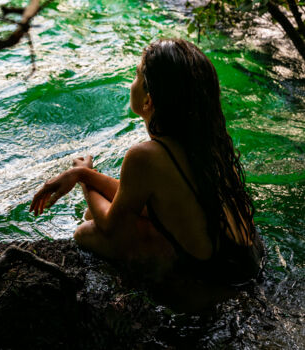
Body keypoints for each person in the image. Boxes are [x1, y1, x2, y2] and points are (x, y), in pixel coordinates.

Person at [30, 38, 265, 311]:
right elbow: (139, 198)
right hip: (249, 263)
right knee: (119, 214)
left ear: (148, 99)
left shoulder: (145, 156)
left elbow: (111, 230)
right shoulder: (207, 143)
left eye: (136, 75)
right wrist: (85, 173)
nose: (130, 82)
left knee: (86, 228)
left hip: (212, 281)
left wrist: (83, 180)